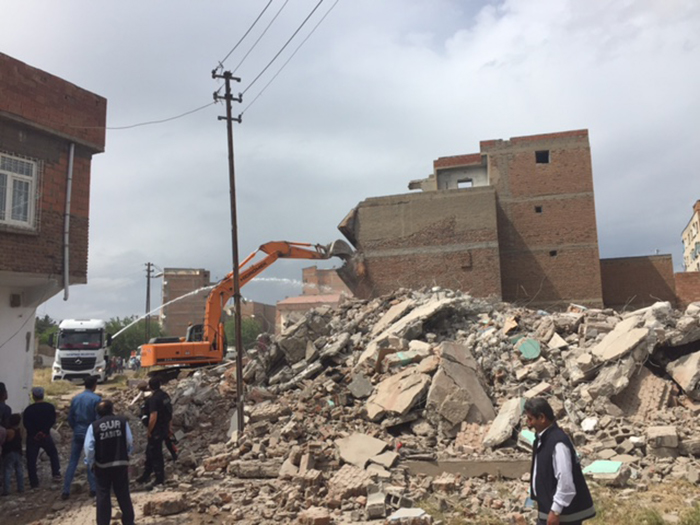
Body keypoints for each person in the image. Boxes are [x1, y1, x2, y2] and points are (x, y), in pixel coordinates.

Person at [525, 397, 596, 525]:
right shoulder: (542, 439)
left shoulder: (558, 442)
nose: (528, 423)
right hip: (548, 511)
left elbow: (566, 482)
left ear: (542, 418)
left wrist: (555, 511)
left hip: (563, 517)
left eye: (531, 419)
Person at [84, 399, 134, 525]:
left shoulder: (94, 426)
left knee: (103, 495)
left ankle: (103, 522)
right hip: (120, 463)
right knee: (123, 494)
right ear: (112, 409)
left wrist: (91, 463)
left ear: (98, 412)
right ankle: (129, 521)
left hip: (102, 466)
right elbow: (129, 440)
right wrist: (127, 454)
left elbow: (89, 448)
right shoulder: (122, 421)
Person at [62, 376, 101, 499]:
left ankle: (66, 490)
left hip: (78, 431)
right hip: (90, 431)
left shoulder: (76, 398)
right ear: (94, 385)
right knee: (90, 460)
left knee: (73, 461)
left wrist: (75, 428)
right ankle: (93, 488)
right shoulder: (97, 399)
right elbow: (98, 418)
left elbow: (70, 417)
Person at [135, 377, 172, 488]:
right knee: (149, 452)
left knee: (156, 455)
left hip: (156, 430)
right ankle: (146, 474)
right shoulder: (165, 396)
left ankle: (159, 478)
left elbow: (153, 417)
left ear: (150, 387)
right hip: (164, 427)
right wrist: (170, 427)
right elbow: (169, 412)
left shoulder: (154, 399)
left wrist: (149, 430)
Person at [23, 386, 61, 488]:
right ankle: (56, 473)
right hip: (46, 435)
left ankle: (34, 482)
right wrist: (44, 432)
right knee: (53, 453)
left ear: (33, 396)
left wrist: (35, 434)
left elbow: (26, 424)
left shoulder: (28, 410)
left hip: (32, 437)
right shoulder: (49, 407)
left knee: (31, 459)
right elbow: (52, 420)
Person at [2, 413, 24, 495]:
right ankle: (21, 488)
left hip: (9, 452)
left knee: (7, 471)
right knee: (19, 470)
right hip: (18, 452)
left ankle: (6, 490)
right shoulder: (19, 431)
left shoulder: (8, 431)